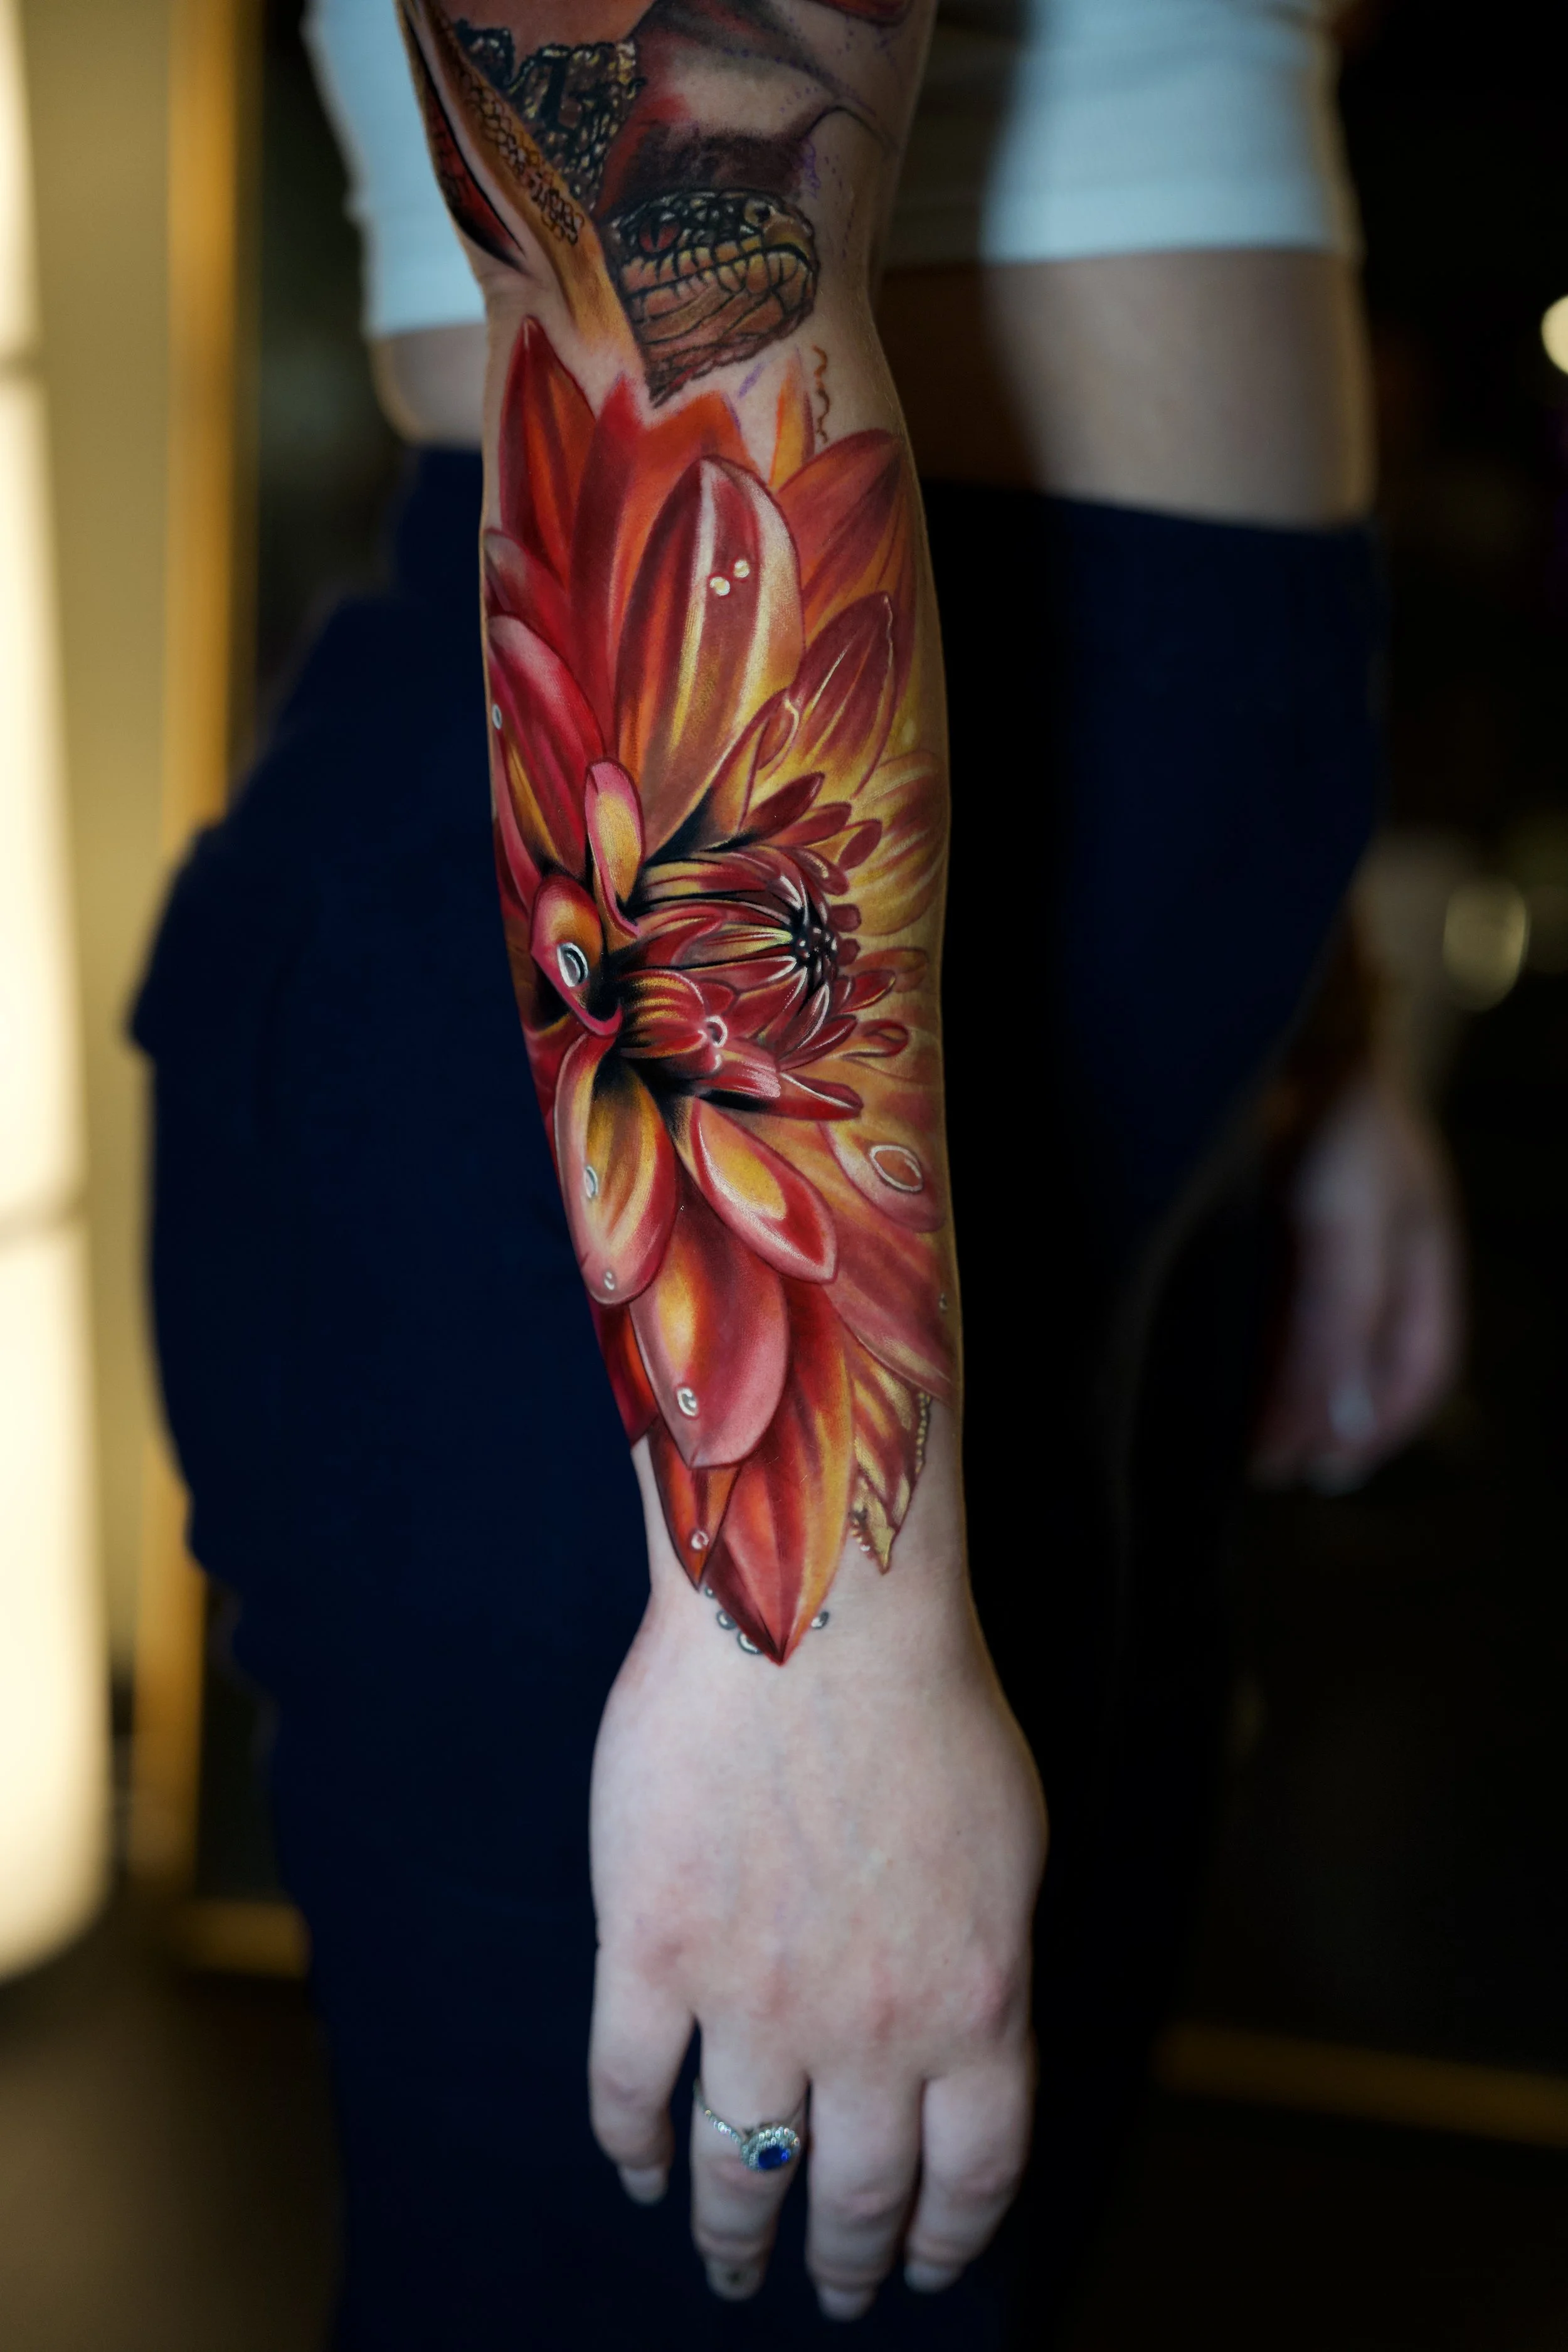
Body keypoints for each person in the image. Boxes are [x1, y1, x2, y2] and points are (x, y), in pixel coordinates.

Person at [134, 1, 1459, 2343]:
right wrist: (799, 1628)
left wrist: (1304, 1013)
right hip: (670, 1117)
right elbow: (670, 254)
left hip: (987, 1056)